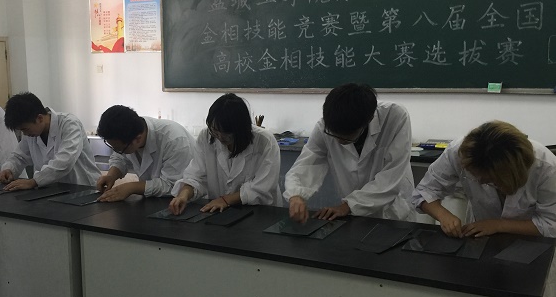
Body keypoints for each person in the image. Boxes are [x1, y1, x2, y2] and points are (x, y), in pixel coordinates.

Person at [284, 83, 416, 223]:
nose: (339, 140)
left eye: (347, 137)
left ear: (369, 119)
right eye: (334, 134)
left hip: (393, 210)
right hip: (352, 213)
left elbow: (392, 175)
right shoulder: (324, 126)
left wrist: (348, 205)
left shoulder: (395, 117)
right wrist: (296, 194)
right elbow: (308, 162)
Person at [412, 120, 556, 238]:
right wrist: (444, 216)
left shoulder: (546, 167)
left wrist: (498, 225)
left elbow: (551, 224)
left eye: (489, 179)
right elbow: (424, 191)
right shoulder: (459, 152)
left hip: (530, 242)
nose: (480, 182)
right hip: (481, 236)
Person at [168, 93, 282, 215]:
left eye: (227, 133)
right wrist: (183, 195)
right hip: (221, 211)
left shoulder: (265, 141)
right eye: (215, 131)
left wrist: (225, 200)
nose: (220, 137)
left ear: (241, 129)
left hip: (260, 212)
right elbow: (196, 176)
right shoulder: (206, 136)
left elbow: (263, 188)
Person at [0, 92, 101, 190]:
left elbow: (65, 162)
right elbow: (19, 156)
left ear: (40, 118)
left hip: (83, 187)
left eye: (25, 129)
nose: (24, 134)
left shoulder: (69, 124)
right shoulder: (31, 133)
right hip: (52, 190)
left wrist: (34, 181)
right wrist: (9, 169)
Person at [95, 105, 193, 201]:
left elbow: (172, 185)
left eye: (120, 149)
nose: (118, 151)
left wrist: (131, 187)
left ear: (138, 139)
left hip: (187, 202)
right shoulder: (130, 130)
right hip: (155, 200)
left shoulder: (174, 140)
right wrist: (111, 176)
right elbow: (120, 158)